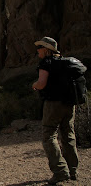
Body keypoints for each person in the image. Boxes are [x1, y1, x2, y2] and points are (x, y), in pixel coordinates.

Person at [32, 37, 78, 185]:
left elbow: (42, 83)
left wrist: (34, 85)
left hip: (53, 104)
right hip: (70, 104)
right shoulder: (66, 62)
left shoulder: (46, 63)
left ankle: (60, 171)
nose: (37, 50)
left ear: (46, 49)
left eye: (39, 47)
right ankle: (72, 170)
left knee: (49, 136)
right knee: (68, 135)